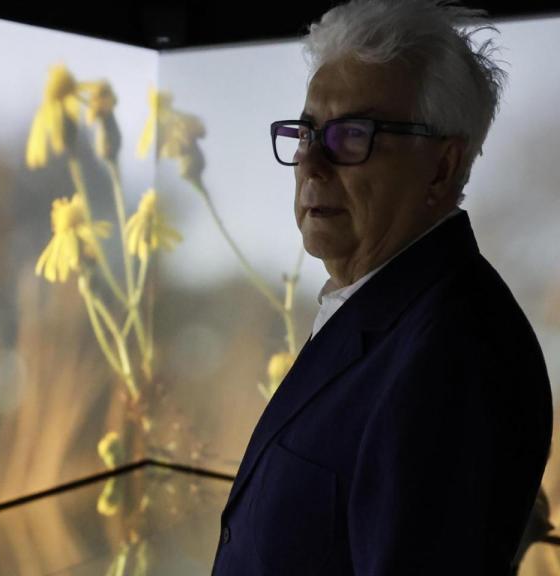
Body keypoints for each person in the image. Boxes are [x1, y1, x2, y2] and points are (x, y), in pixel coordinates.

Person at [211, 1, 553, 574]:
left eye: (351, 136)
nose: (311, 166)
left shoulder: (454, 359)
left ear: (442, 168)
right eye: (306, 133)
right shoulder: (385, 307)